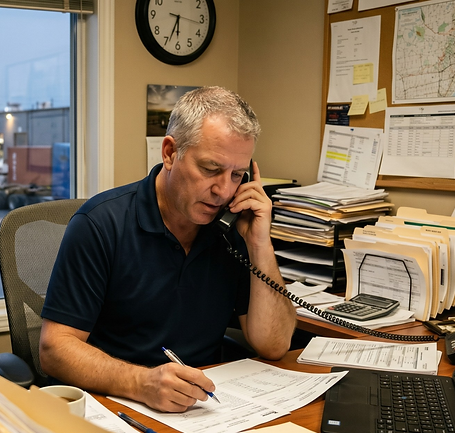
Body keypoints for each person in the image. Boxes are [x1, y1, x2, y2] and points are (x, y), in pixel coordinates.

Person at [39, 86, 296, 413]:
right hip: (118, 405)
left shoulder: (233, 231)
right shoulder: (100, 223)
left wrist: (260, 243)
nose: (223, 190)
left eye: (237, 175)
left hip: (205, 409)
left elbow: (273, 346)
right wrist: (141, 382)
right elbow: (55, 348)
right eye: (211, 169)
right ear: (170, 153)